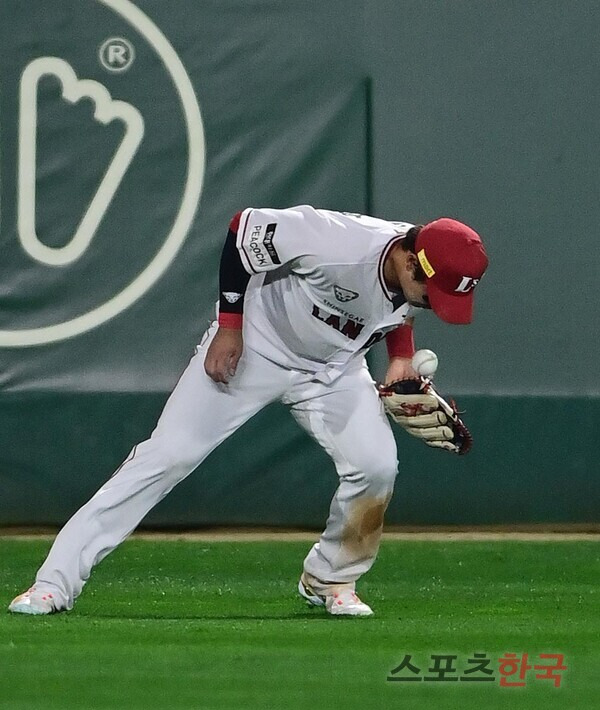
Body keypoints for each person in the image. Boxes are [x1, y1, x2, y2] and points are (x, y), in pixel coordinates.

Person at [9, 206, 488, 617]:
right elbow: (243, 230)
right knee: (169, 455)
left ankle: (329, 580)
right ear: (409, 258)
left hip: (334, 370)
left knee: (376, 467)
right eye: (434, 292)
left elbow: (401, 307)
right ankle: (55, 582)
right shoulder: (334, 240)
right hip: (258, 346)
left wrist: (401, 356)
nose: (435, 301)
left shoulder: (421, 260)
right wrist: (230, 328)